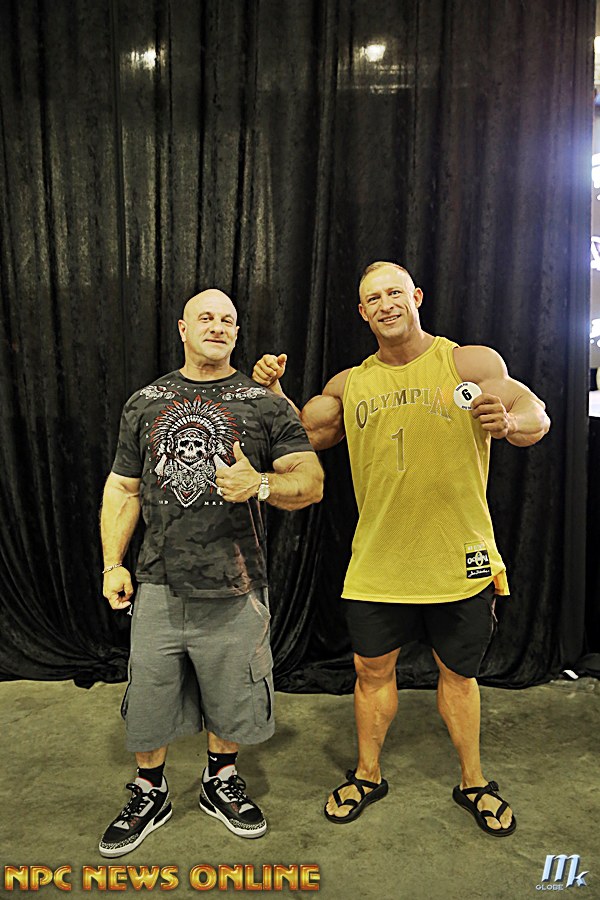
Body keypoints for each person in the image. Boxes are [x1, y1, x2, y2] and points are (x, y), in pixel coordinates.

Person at [252, 261, 550, 837]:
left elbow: (537, 414)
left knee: (459, 676)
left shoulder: (468, 363)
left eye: (395, 292)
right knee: (370, 674)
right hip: (379, 562)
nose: (386, 304)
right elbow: (304, 434)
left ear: (416, 296)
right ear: (362, 313)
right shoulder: (349, 385)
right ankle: (368, 774)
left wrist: (510, 421)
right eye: (373, 298)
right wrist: (274, 394)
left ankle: (474, 780)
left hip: (459, 557)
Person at [99, 289, 323, 857]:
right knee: (150, 697)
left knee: (233, 693)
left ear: (237, 333)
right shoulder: (145, 401)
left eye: (228, 320)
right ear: (183, 328)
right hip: (158, 580)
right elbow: (122, 488)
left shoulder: (263, 403)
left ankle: (220, 780)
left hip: (236, 580)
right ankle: (150, 791)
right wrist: (112, 564)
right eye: (206, 317)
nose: (218, 327)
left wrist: (261, 483)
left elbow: (311, 480)